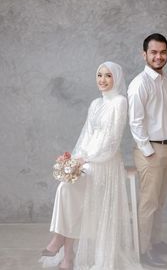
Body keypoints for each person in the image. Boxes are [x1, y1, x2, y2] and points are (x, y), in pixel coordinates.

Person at [40, 62, 143, 270]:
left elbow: (112, 141)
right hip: (88, 160)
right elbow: (86, 135)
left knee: (73, 195)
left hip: (106, 161)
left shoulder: (120, 102)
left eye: (108, 76)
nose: (102, 80)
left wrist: (87, 159)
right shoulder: (95, 103)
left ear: (116, 79)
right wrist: (75, 159)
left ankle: (60, 243)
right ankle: (67, 254)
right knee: (66, 188)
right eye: (99, 75)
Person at [128, 33, 167, 268]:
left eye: (163, 52)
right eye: (154, 52)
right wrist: (148, 151)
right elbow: (135, 122)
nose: (159, 56)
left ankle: (156, 242)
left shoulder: (165, 82)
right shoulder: (140, 83)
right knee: (148, 203)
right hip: (151, 151)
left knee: (159, 202)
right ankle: (143, 251)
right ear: (144, 54)